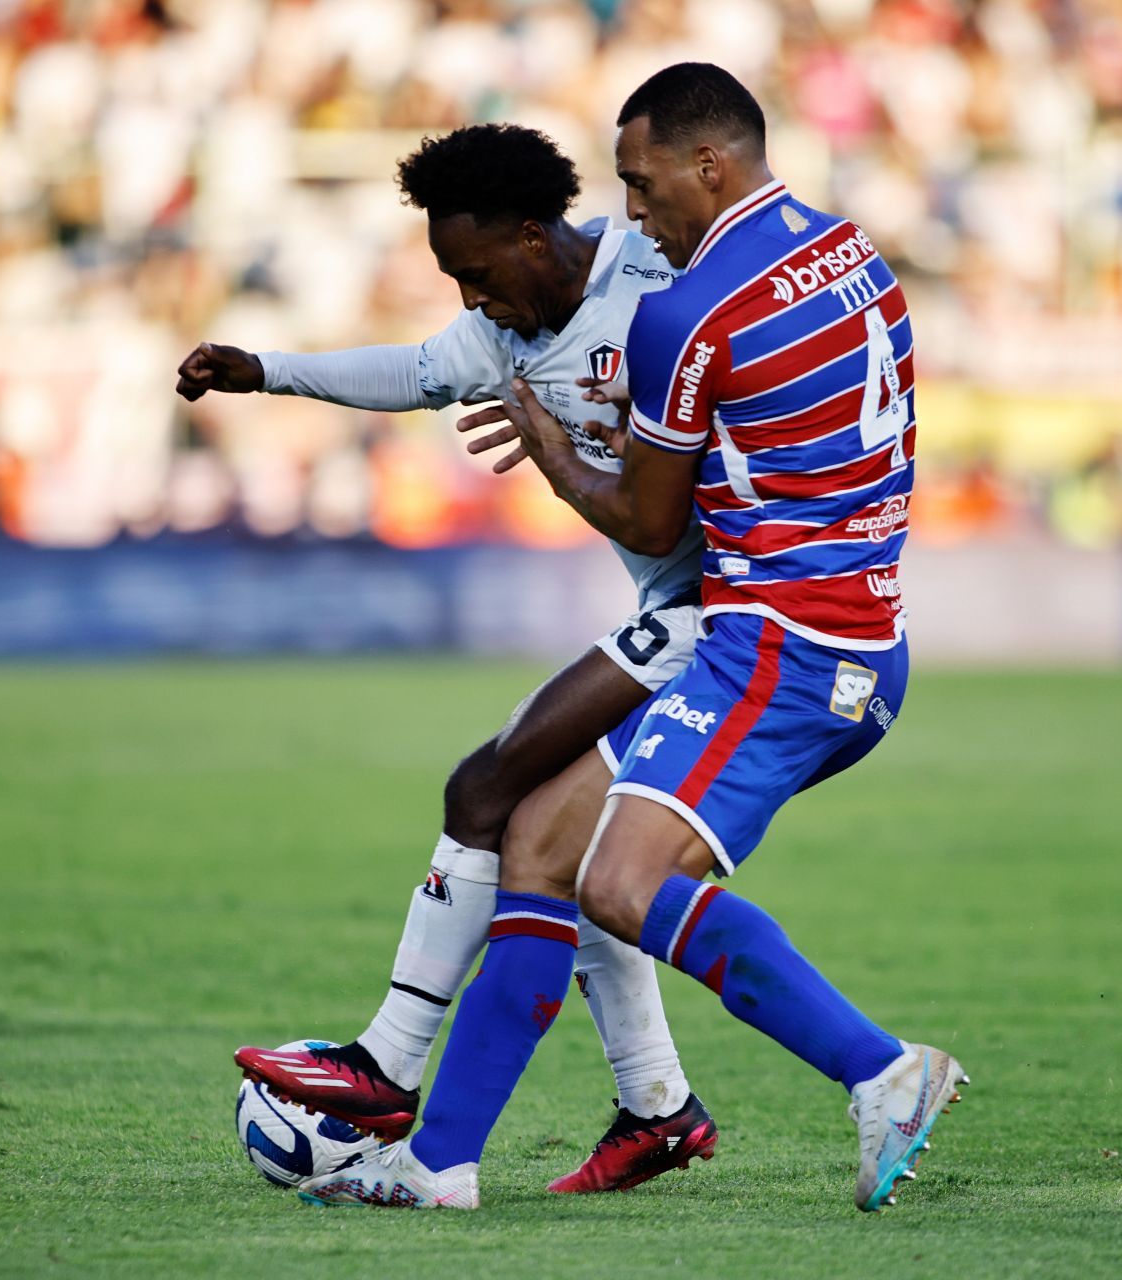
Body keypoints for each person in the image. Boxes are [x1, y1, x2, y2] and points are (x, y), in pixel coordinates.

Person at [301, 64, 965, 1215]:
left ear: (710, 165)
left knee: (616, 883)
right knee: (541, 844)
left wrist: (550, 444)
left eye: (642, 181)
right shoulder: (853, 252)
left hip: (784, 645)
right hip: (841, 619)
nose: (634, 207)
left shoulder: (688, 313)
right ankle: (439, 1159)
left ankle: (882, 1068)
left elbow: (650, 517)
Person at [177, 124, 719, 1193]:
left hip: (730, 606)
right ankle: (657, 1103)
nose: (470, 299)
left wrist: (604, 429)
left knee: (484, 784)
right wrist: (264, 370)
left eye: (476, 273)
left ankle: (387, 1063)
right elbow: (411, 371)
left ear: (533, 234)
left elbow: (736, 373)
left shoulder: (657, 274)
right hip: (674, 600)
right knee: (554, 842)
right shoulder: (503, 336)